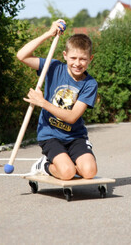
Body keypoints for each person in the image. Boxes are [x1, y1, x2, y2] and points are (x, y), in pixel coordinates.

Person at [17, 19, 98, 180]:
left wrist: (43, 103)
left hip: (75, 136)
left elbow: (72, 117)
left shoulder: (90, 84)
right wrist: (48, 34)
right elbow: (21, 56)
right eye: (73, 58)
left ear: (90, 59)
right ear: (65, 55)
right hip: (50, 135)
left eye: (83, 59)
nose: (77, 63)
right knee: (67, 173)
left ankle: (68, 161)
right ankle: (44, 165)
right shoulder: (53, 67)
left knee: (89, 172)